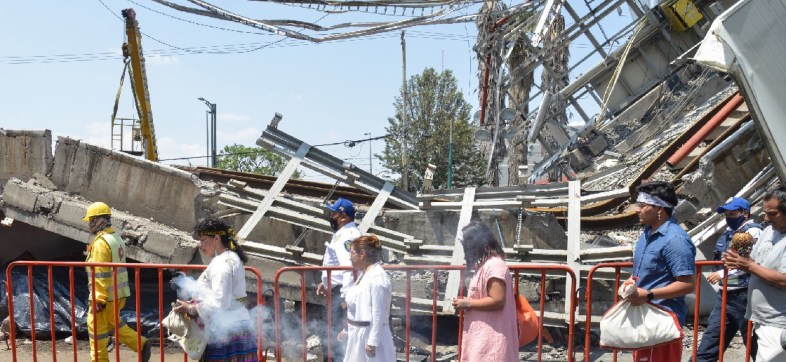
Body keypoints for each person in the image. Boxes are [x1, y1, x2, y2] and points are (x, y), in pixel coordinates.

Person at [624, 182, 696, 362]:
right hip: (645, 316)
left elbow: (687, 284)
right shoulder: (647, 234)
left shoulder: (675, 240)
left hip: (663, 319)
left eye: (642, 205)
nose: (636, 210)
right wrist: (630, 281)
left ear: (660, 209)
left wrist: (648, 294)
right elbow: (646, 272)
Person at [174, 216, 258, 361]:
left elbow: (220, 301)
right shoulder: (230, 258)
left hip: (227, 331)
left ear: (217, 238)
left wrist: (191, 309)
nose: (200, 245)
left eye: (203, 240)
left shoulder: (222, 264)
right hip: (238, 326)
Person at [82, 201, 151, 362]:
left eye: (92, 220)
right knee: (113, 323)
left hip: (104, 297)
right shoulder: (115, 238)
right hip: (118, 295)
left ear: (100, 220)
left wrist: (98, 297)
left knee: (96, 332)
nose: (89, 224)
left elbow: (100, 272)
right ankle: (140, 343)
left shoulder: (100, 243)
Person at [695, 197, 762, 362]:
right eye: (726, 214)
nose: (728, 218)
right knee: (709, 344)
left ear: (745, 213)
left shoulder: (753, 232)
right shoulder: (729, 233)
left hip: (745, 295)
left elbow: (752, 262)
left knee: (756, 347)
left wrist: (723, 275)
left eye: (732, 214)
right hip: (725, 295)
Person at [724, 186, 786, 362]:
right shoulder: (769, 231)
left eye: (772, 214)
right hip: (762, 321)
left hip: (779, 325)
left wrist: (749, 266)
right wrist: (738, 261)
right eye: (765, 213)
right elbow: (754, 262)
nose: (766, 218)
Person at [451, 221, 518, 362]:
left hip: (491, 344)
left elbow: (497, 300)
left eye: (466, 246)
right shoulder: (486, 265)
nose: (465, 249)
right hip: (483, 340)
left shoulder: (494, 265)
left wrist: (467, 303)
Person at [315, 197, 361, 361]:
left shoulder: (348, 235)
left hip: (341, 293)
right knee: (331, 334)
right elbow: (337, 266)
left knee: (335, 337)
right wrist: (326, 281)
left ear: (344, 216)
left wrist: (344, 297)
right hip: (337, 289)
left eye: (333, 213)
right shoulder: (344, 234)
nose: (331, 216)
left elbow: (350, 267)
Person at [338, 234, 395, 361]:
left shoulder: (377, 277)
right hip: (358, 334)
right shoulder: (364, 274)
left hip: (369, 336)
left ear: (362, 254)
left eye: (352, 253)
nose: (350, 257)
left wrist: (372, 342)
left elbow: (378, 312)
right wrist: (346, 330)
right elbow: (357, 307)